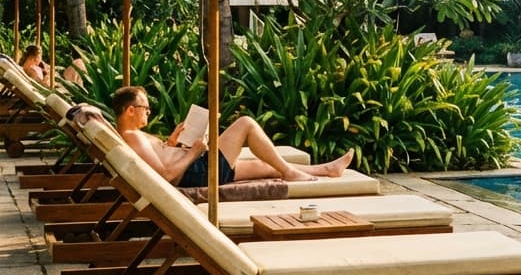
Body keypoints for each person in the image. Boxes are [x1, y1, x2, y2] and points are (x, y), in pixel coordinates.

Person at [112, 85, 354, 188]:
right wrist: (195, 151)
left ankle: (328, 170)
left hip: (195, 168)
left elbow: (161, 161)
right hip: (197, 172)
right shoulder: (132, 136)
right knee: (245, 124)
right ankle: (291, 173)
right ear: (131, 110)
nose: (149, 112)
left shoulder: (134, 137)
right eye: (146, 108)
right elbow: (165, 175)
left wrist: (172, 143)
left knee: (265, 166)